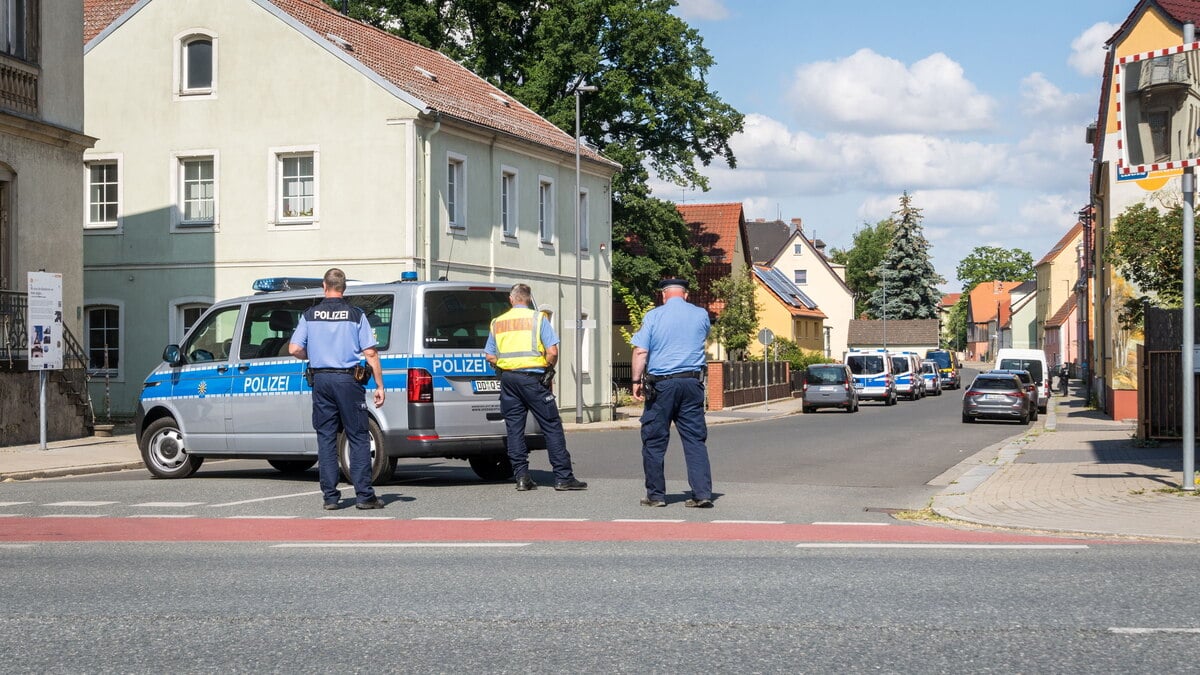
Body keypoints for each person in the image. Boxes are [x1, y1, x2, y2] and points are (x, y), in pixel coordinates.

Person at [288, 268, 386, 510]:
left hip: (321, 381)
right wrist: (379, 385)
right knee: (358, 437)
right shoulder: (356, 314)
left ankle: (330, 497)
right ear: (344, 288)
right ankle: (364, 496)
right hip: (348, 381)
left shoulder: (309, 314)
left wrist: (315, 355)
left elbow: (293, 349)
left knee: (326, 437)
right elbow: (371, 353)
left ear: (324, 285)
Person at [484, 283, 587, 492]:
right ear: (529, 299)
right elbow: (553, 351)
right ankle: (563, 477)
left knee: (514, 429)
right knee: (551, 425)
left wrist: (502, 369)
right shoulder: (538, 319)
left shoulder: (498, 322)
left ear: (511, 300)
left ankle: (522, 478)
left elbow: (490, 355)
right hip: (533, 379)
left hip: (509, 380)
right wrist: (548, 369)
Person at [631, 278, 713, 508]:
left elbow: (640, 351)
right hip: (692, 383)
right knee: (695, 439)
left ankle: (656, 495)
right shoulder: (701, 315)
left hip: (662, 386)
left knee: (654, 439)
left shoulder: (654, 316)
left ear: (663, 295)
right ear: (686, 295)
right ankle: (702, 493)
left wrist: (636, 380)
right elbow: (702, 337)